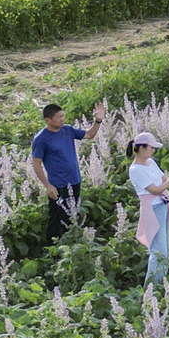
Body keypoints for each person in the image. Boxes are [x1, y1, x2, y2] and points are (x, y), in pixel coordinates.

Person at [29, 100, 106, 246]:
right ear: (48, 120)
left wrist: (98, 120)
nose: (62, 119)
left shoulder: (68, 130)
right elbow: (36, 163)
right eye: (59, 117)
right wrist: (47, 186)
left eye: (63, 116)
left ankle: (71, 245)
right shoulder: (41, 139)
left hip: (75, 181)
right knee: (57, 219)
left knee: (73, 216)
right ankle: (52, 251)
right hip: (58, 185)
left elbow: (90, 135)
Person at [127, 132, 169, 287]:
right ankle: (151, 289)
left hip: (163, 204)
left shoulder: (151, 162)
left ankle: (160, 286)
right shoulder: (136, 169)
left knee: (165, 251)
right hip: (153, 209)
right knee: (158, 252)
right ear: (141, 148)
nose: (153, 151)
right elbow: (155, 189)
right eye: (151, 147)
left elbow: (163, 181)